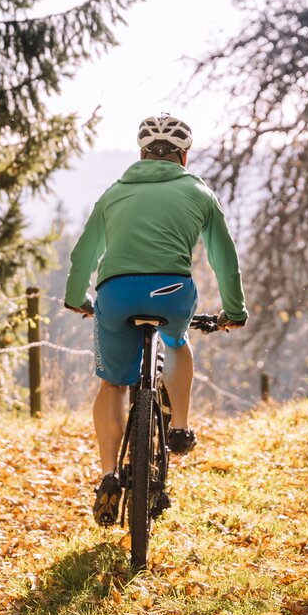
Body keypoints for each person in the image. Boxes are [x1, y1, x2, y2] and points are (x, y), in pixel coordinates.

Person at [64, 113, 248, 526]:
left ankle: (109, 475)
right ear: (183, 156)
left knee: (112, 382)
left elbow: (84, 255)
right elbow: (225, 259)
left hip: (115, 295)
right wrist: (234, 311)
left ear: (142, 153)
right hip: (171, 294)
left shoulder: (114, 193)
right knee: (178, 341)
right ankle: (180, 427)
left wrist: (77, 298)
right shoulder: (199, 192)